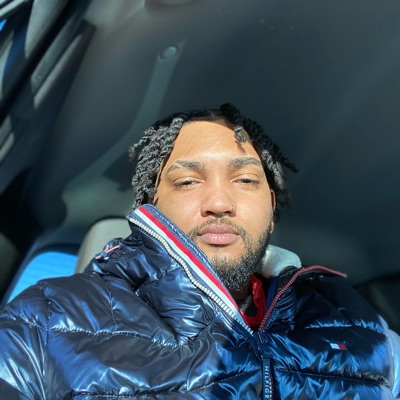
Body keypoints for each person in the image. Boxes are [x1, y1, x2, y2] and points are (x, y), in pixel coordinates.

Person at [0, 103, 399, 399]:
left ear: (272, 208)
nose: (220, 203)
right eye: (188, 182)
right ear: (150, 205)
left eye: (245, 180)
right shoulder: (43, 321)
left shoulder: (363, 327)